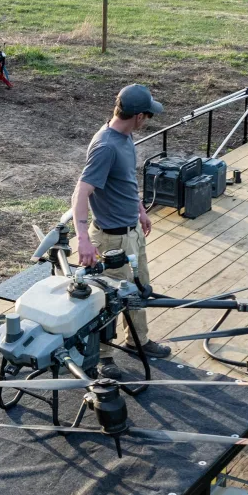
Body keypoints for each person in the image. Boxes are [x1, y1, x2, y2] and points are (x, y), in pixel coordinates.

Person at [71, 84, 174, 377]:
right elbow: (81, 193)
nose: (149, 120)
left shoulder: (125, 137)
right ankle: (103, 357)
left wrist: (140, 210)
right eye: (149, 115)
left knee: (138, 290)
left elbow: (126, 180)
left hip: (132, 233)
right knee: (109, 300)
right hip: (111, 239)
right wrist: (82, 239)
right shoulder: (106, 146)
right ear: (139, 116)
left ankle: (138, 341)